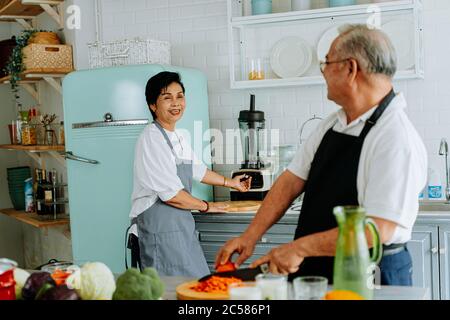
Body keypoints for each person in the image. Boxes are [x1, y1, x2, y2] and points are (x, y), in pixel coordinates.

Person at [216, 24, 427, 286]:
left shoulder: (395, 137)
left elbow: (376, 231)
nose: (323, 72)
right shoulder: (333, 123)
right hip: (316, 269)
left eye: (327, 63)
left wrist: (299, 248)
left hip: (370, 275)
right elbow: (291, 180)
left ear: (350, 69)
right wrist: (250, 236)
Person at [127, 71, 251, 277]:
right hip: (160, 234)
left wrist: (232, 183)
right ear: (152, 105)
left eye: (180, 96)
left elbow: (197, 170)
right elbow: (172, 195)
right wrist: (208, 206)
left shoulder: (176, 136)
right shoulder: (152, 139)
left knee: (196, 285)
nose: (176, 103)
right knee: (171, 291)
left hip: (179, 230)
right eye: (167, 98)